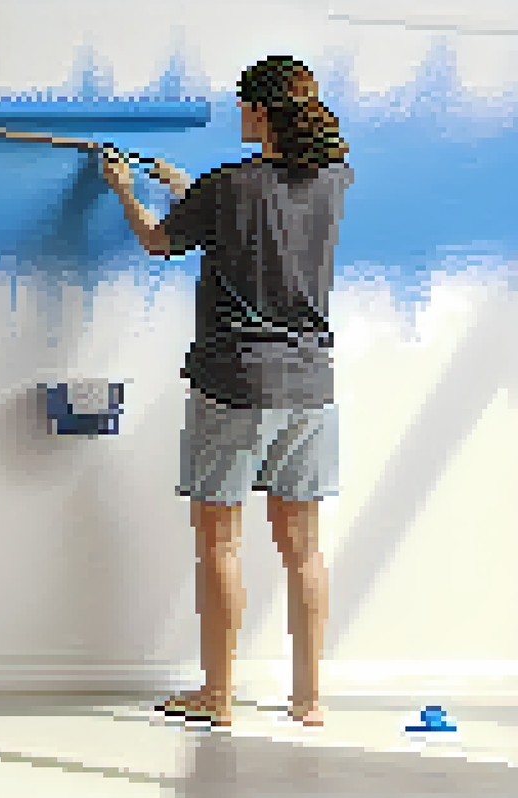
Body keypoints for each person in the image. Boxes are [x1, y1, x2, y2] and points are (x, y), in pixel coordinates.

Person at [99, 56, 354, 727]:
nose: (238, 112)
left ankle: (217, 696)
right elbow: (263, 226)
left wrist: (124, 190)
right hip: (310, 389)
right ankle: (309, 699)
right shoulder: (334, 180)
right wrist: (189, 189)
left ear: (263, 112)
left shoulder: (226, 186)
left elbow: (160, 240)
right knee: (303, 548)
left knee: (221, 543)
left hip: (235, 383)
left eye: (244, 104)